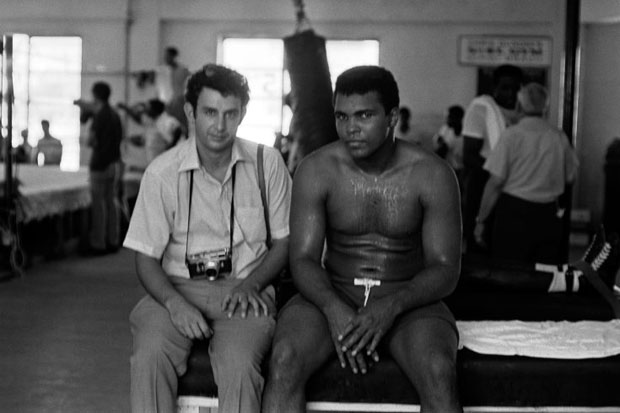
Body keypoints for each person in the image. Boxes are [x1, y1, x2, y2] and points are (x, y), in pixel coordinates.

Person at [262, 66, 462, 413]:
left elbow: (445, 269)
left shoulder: (432, 174)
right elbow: (304, 259)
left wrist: (392, 306)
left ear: (392, 117)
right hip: (334, 290)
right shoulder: (317, 169)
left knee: (438, 370)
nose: (350, 128)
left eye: (365, 115)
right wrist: (332, 306)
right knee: (284, 359)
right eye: (342, 116)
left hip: (406, 297)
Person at [124, 64, 292, 413]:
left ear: (243, 114)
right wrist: (173, 303)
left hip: (246, 290)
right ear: (190, 112)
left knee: (240, 365)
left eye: (231, 114)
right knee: (149, 357)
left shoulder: (267, 164)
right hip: (176, 287)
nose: (220, 125)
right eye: (210, 112)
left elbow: (285, 242)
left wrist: (253, 285)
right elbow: (145, 258)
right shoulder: (162, 173)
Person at [474, 82, 579, 264]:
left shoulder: (511, 135)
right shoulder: (558, 136)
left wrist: (481, 220)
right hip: (548, 215)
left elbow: (496, 182)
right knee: (543, 276)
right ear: (545, 108)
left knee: (510, 273)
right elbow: (571, 177)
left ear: (519, 106)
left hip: (513, 214)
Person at [461, 64, 523, 253]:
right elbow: (469, 155)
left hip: (513, 187)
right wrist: (499, 172)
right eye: (505, 87)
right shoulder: (482, 109)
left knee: (505, 245)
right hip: (485, 183)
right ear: (494, 87)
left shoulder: (524, 113)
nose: (511, 93)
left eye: (516, 88)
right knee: (481, 246)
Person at [85, 82, 123, 254]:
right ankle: (113, 240)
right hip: (113, 163)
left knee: (98, 205)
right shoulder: (115, 114)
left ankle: (98, 243)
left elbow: (91, 140)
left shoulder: (99, 116)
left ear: (95, 95)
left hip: (100, 163)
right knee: (111, 202)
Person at [432, 105, 465, 182]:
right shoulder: (445, 129)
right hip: (449, 168)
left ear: (457, 118)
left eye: (449, 117)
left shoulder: (465, 135)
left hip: (461, 170)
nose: (447, 120)